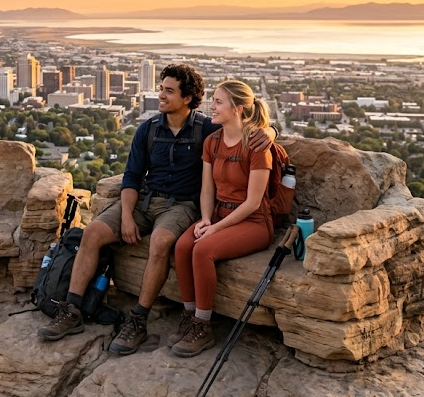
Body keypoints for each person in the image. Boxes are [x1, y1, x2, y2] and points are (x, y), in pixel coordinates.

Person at [38, 65, 274, 355]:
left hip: (181, 205)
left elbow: (244, 126)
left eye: (168, 91)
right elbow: (132, 178)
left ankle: (138, 320)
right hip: (145, 201)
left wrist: (270, 132)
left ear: (187, 98)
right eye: (161, 89)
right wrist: (126, 216)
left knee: (162, 243)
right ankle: (71, 309)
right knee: (94, 231)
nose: (160, 95)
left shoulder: (206, 128)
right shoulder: (148, 129)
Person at [169, 80, 275, 358]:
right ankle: (190, 316)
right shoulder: (212, 142)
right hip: (217, 213)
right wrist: (205, 219)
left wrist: (215, 229)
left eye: (218, 102)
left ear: (238, 109)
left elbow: (253, 202)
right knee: (182, 246)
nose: (211, 106)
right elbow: (207, 189)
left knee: (203, 250)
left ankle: (203, 327)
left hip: (253, 222)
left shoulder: (256, 145)